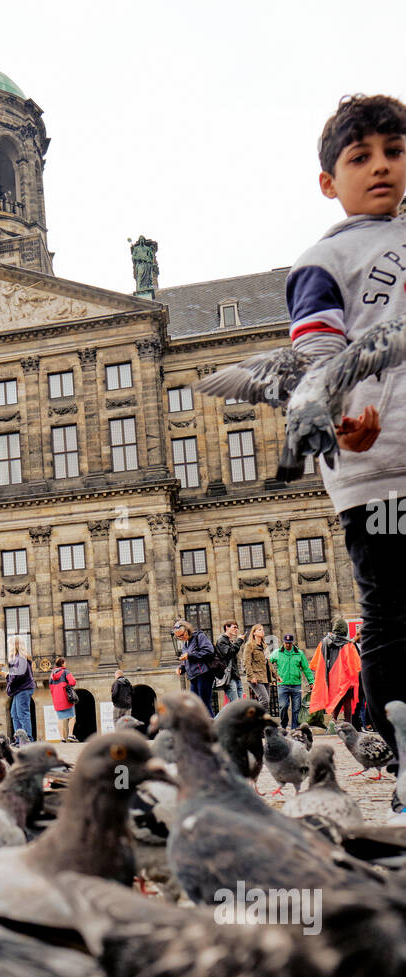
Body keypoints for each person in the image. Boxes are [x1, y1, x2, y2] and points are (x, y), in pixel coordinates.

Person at [287, 93, 406, 805]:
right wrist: (337, 419)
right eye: (360, 156)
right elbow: (317, 362)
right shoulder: (325, 260)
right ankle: (398, 757)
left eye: (394, 152)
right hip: (376, 474)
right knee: (395, 615)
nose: (382, 167)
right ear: (330, 181)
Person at [309, 618, 361, 724]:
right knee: (346, 700)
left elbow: (317, 662)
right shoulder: (348, 645)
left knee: (337, 698)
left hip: (331, 678)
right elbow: (356, 665)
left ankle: (334, 719)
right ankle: (348, 724)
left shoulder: (324, 642)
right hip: (346, 679)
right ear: (345, 631)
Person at [270, 634, 314, 731]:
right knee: (283, 706)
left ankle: (295, 728)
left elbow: (306, 668)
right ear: (283, 642)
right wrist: (271, 676)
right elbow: (267, 663)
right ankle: (284, 725)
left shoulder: (299, 653)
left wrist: (311, 682)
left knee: (296, 708)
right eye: (286, 643)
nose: (288, 645)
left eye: (289, 643)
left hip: (296, 684)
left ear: (292, 643)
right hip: (282, 685)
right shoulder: (277, 653)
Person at [173, 620, 216, 716]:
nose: (181, 638)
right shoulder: (185, 644)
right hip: (193, 676)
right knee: (194, 705)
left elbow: (209, 650)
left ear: (187, 630)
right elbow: (186, 661)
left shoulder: (199, 636)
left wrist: (189, 655)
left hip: (204, 673)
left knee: (204, 703)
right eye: (178, 637)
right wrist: (181, 668)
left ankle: (211, 727)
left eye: (182, 635)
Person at [6, 636, 35, 743]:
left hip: (23, 689)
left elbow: (17, 676)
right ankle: (19, 738)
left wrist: (8, 680)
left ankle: (27, 739)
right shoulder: (21, 658)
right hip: (21, 689)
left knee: (22, 714)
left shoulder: (19, 658)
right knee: (15, 714)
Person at [241, 624, 274, 710]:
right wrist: (251, 676)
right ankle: (255, 720)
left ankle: (262, 722)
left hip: (265, 677)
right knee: (264, 700)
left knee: (266, 702)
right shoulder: (249, 645)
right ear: (254, 633)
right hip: (256, 677)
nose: (262, 631)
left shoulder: (264, 646)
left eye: (262, 629)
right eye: (259, 630)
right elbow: (246, 662)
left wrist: (276, 676)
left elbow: (268, 663)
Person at [215, 621, 245, 704]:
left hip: (235, 675)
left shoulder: (228, 640)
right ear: (227, 627)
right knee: (235, 703)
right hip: (229, 676)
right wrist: (239, 641)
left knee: (240, 704)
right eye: (234, 627)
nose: (236, 629)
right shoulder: (221, 640)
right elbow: (229, 653)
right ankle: (218, 718)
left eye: (237, 627)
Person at [49, 656, 77, 741]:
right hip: (66, 698)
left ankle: (61, 738)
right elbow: (73, 682)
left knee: (60, 719)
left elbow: (50, 686)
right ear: (63, 663)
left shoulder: (52, 674)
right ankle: (70, 735)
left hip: (56, 699)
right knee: (72, 716)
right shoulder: (65, 671)